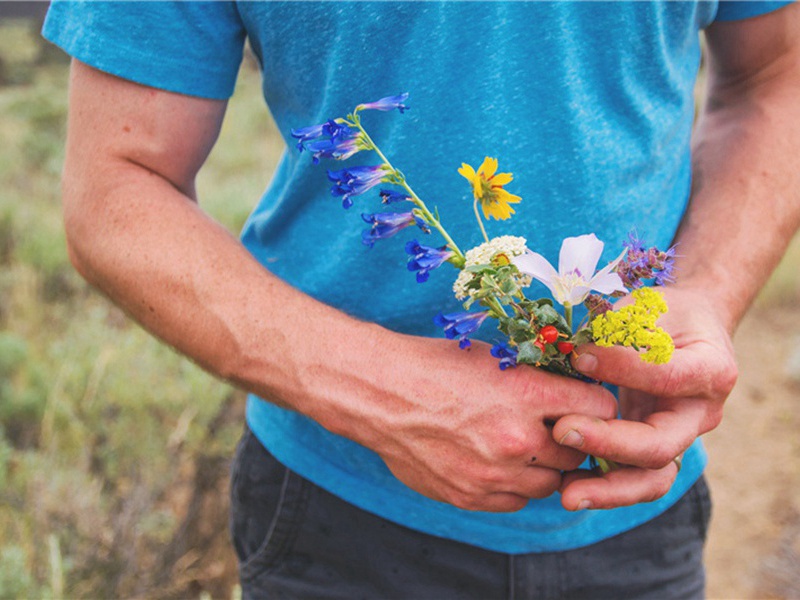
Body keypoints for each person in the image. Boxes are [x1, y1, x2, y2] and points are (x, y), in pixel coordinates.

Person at [43, 1, 799, 598]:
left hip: (638, 521)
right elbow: (115, 188)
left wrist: (707, 290)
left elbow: (778, 77)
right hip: (339, 520)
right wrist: (387, 396)